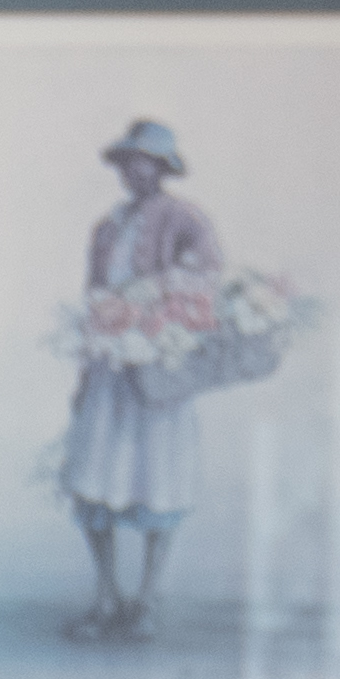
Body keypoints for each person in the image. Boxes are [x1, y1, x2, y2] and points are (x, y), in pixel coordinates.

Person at [58, 116, 235, 638]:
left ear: (162, 169)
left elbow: (208, 277)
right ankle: (106, 596)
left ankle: (148, 600)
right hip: (110, 370)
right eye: (128, 162)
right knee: (95, 478)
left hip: (158, 373)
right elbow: (93, 299)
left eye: (145, 163)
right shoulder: (107, 228)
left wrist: (157, 301)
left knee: (157, 478)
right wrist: (86, 368)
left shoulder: (184, 219)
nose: (134, 171)